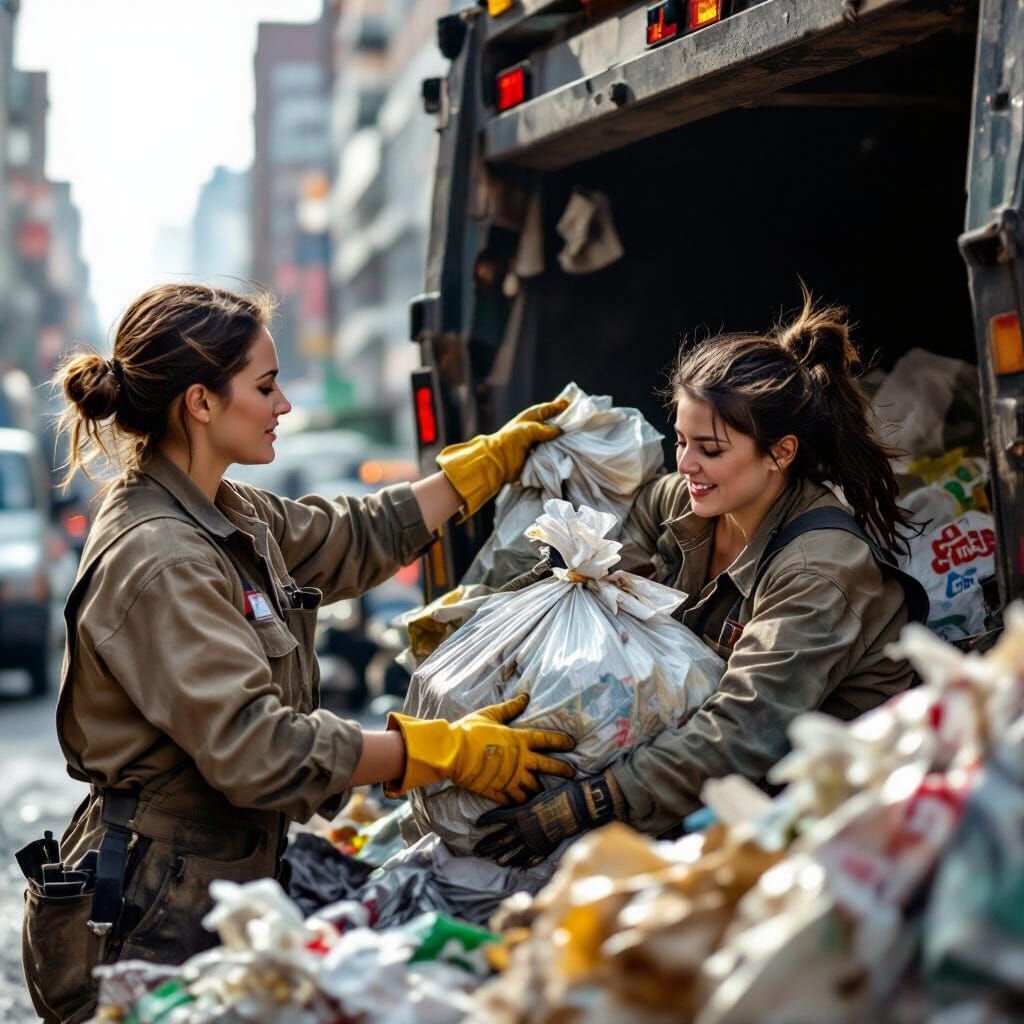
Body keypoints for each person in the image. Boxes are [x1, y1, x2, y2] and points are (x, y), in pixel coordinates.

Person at [22, 283, 574, 1024]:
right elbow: (259, 751)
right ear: (201, 402)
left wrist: (476, 472)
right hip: (153, 914)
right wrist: (437, 753)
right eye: (266, 386)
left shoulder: (224, 508)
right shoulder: (163, 559)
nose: (283, 406)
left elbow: (348, 537)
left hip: (212, 880)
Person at [474, 290, 927, 867]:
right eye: (682, 441)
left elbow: (743, 731)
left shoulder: (820, 569)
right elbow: (626, 532)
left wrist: (588, 804)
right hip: (717, 781)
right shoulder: (688, 503)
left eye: (710, 449)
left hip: (825, 815)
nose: (685, 464)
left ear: (780, 453)